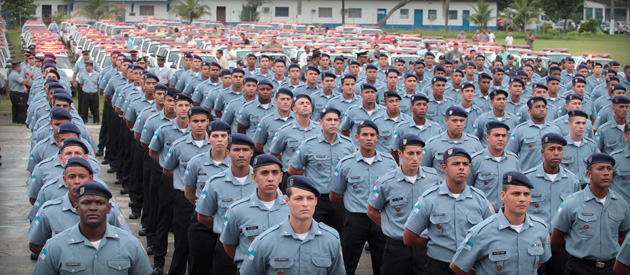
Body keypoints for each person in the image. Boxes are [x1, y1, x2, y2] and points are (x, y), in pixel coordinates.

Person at [405, 147, 494, 275]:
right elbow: (409, 237)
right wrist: (436, 245)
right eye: (456, 164)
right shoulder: (429, 199)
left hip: (470, 267)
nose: (461, 167)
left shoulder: (480, 200)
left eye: (465, 164)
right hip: (439, 267)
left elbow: (491, 234)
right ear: (444, 168)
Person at [33, 182, 152, 275]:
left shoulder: (130, 244)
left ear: (109, 208)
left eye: (100, 203)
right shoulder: (55, 246)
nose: (93, 208)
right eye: (86, 203)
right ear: (77, 208)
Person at [239, 175, 346, 274]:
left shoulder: (331, 239)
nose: (305, 204)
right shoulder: (265, 242)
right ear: (287, 201)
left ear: (316, 201)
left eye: (310, 198)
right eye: (298, 198)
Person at [329, 120, 397, 275]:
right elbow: (334, 195)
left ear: (377, 138)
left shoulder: (389, 163)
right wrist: (352, 203)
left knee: (383, 264)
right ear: (357, 138)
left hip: (380, 219)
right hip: (355, 220)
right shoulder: (346, 164)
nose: (369, 138)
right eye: (364, 135)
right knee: (347, 264)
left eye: (372, 135)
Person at [450, 171, 552, 274]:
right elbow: (458, 266)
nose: (522, 199)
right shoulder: (481, 233)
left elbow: (540, 262)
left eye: (526, 194)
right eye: (516, 194)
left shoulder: (541, 229)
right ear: (503, 196)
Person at [551, 153, 630, 275]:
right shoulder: (572, 203)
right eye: (600, 168)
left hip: (609, 268)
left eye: (609, 169)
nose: (606, 173)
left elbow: (623, 235)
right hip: (579, 268)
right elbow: (556, 238)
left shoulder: (621, 204)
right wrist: (576, 252)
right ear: (589, 174)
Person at [195, 133, 256, 274]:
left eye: (245, 150)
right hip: (225, 245)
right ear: (228, 153)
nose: (241, 154)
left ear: (252, 153)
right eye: (236, 150)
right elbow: (203, 216)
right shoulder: (215, 183)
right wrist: (225, 228)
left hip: (254, 247)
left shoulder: (261, 182)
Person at [289, 108, 354, 238]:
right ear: (320, 122)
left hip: (339, 199)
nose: (333, 123)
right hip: (317, 198)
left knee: (338, 236)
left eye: (336, 120)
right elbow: (293, 169)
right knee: (313, 235)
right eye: (329, 120)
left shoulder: (348, 144)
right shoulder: (309, 144)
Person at [220, 154, 289, 269]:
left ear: (281, 177)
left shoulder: (291, 208)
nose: (270, 178)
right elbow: (229, 244)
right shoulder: (237, 210)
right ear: (254, 177)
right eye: (264, 173)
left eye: (275, 173)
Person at [468, 121, 520, 211]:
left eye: (504, 136)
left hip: (507, 213)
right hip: (482, 213)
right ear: (487, 137)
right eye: (497, 135)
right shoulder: (475, 160)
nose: (500, 139)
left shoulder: (513, 160)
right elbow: (467, 188)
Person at [421, 106, 483, 181]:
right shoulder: (432, 144)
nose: (458, 124)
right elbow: (424, 170)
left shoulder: (474, 143)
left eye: (461, 121)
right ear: (446, 121)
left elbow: (480, 169)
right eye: (455, 121)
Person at [506, 97, 561, 171]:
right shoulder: (520, 130)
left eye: (544, 107)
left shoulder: (555, 129)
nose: (541, 109)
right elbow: (510, 155)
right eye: (537, 107)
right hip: (528, 176)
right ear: (530, 111)